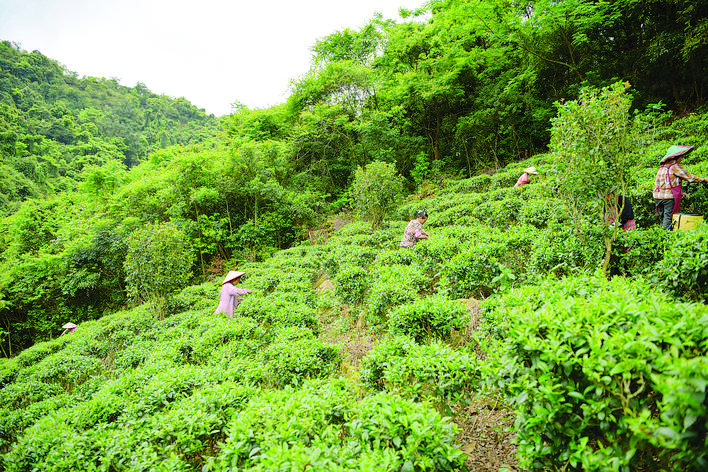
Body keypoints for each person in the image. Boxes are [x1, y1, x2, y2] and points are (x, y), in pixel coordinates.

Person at [653, 145, 708, 229]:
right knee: (668, 219)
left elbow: (663, 184)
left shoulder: (662, 167)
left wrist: (681, 193)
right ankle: (665, 237)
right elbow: (690, 178)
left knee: (663, 219)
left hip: (657, 197)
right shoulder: (674, 166)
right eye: (681, 157)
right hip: (668, 198)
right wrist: (704, 179)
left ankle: (661, 234)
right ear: (677, 157)